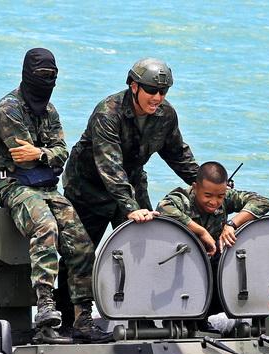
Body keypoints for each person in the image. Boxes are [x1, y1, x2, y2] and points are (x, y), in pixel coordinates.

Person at [0, 48, 108, 343]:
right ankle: (45, 310)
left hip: (47, 188)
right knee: (45, 226)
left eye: (52, 76)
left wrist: (40, 154)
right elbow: (24, 160)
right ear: (27, 74)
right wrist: (44, 156)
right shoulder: (8, 109)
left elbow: (61, 153)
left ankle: (82, 319)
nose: (47, 81)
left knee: (81, 243)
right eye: (42, 75)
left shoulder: (50, 110)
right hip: (13, 185)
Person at [62, 57, 200, 247]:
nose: (157, 98)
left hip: (132, 183)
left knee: (145, 247)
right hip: (88, 190)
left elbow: (177, 154)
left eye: (163, 91)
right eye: (151, 90)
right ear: (134, 87)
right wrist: (130, 207)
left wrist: (204, 183)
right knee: (80, 255)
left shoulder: (166, 114)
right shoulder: (108, 113)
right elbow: (110, 166)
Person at [156, 161, 269, 257]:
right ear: (195, 188)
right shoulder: (182, 199)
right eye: (208, 195)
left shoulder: (226, 196)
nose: (214, 202)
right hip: (183, 257)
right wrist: (201, 232)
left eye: (220, 196)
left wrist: (231, 224)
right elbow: (163, 207)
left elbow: (263, 202)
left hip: (216, 258)